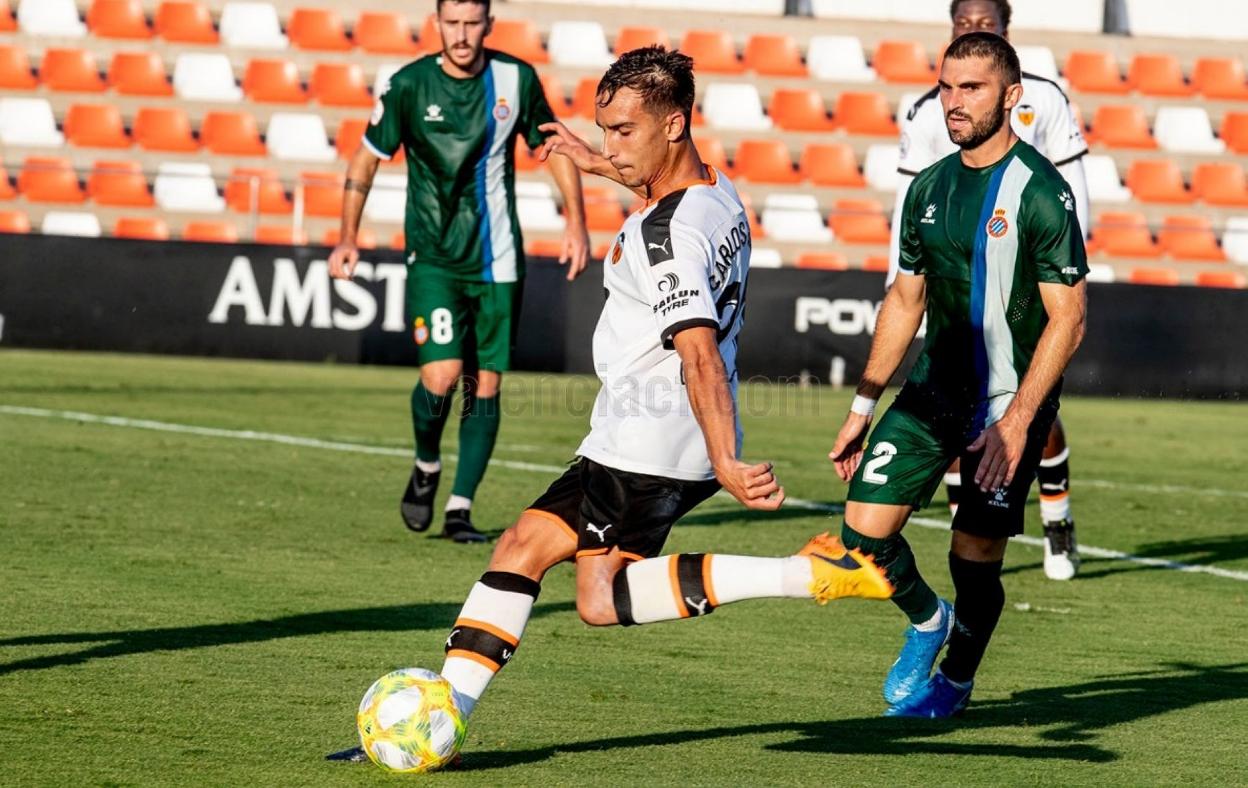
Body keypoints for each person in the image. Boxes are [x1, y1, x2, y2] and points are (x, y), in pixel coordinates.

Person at [431, 46, 893, 727]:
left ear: (673, 124)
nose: (609, 145)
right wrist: (600, 163)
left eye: (623, 132)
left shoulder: (665, 238)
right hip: (640, 430)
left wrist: (728, 460)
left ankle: (806, 573)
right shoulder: (716, 191)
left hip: (648, 439)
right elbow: (665, 199)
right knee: (522, 546)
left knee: (597, 598)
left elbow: (699, 354)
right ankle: (440, 719)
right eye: (604, 129)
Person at [830, 32, 1087, 718]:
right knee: (862, 528)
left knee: (975, 549)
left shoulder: (1041, 191)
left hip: (1007, 401)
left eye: (971, 87)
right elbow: (904, 298)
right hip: (936, 386)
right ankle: (926, 621)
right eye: (946, 86)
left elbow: (1070, 319)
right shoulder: (930, 187)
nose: (953, 101)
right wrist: (861, 406)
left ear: (1012, 97)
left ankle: (957, 678)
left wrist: (1017, 420)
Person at [328, 0, 590, 544]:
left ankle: (460, 510)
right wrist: (348, 236)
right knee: (442, 376)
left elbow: (556, 146)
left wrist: (577, 223)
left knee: (484, 384)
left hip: (498, 260)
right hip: (434, 257)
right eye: (453, 23)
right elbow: (365, 158)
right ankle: (426, 464)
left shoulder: (515, 79)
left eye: (473, 23)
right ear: (437, 24)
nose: (463, 34)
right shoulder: (408, 85)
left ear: (489, 25)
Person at [888, 0, 1087, 580]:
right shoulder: (928, 109)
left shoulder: (1043, 96)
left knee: (1033, 407)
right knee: (956, 409)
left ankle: (1058, 521)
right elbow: (912, 199)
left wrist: (1070, 260)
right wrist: (902, 280)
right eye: (962, 22)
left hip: (1028, 271)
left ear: (1005, 30)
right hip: (952, 280)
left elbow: (1070, 182)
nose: (973, 28)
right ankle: (968, 525)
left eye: (984, 22)